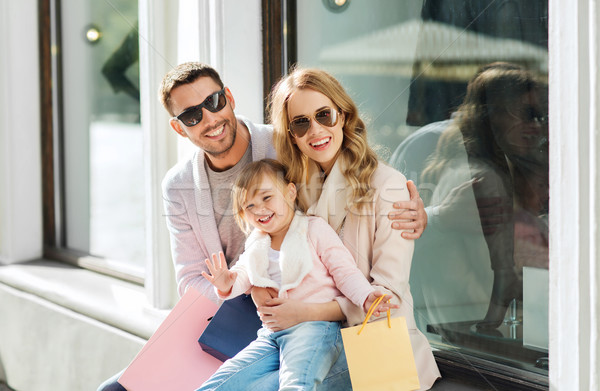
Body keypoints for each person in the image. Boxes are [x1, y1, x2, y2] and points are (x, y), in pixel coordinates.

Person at [97, 62, 429, 391]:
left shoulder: (283, 156)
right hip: (250, 316)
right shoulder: (295, 171)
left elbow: (385, 294)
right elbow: (192, 278)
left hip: (357, 339)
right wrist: (248, 285)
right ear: (179, 127)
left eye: (213, 102)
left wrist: (424, 214)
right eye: (192, 115)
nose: (209, 119)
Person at [268, 67, 441, 390]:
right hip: (312, 339)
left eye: (324, 115)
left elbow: (385, 295)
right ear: (291, 134)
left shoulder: (387, 186)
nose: (315, 130)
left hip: (374, 344)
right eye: (301, 123)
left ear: (344, 116)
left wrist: (303, 313)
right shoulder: (298, 191)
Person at [199, 159, 395, 390]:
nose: (259, 209)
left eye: (266, 197)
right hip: (270, 334)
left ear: (290, 192)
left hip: (313, 328)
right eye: (249, 206)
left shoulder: (312, 228)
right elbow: (243, 273)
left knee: (296, 384)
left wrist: (366, 295)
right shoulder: (257, 241)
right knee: (221, 382)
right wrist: (225, 283)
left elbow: (344, 271)